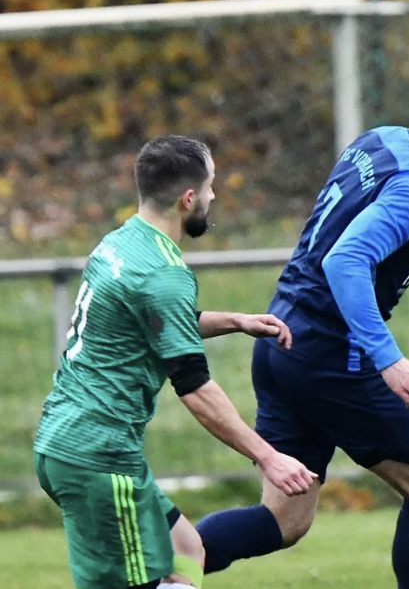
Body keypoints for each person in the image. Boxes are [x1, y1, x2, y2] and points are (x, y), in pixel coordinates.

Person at [194, 64, 409, 588]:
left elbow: (343, 227)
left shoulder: (379, 141)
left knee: (284, 519)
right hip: (331, 357)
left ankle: (154, 572)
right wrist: (389, 361)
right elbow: (345, 260)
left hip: (281, 339)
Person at [34, 135, 317, 589]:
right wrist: (268, 457)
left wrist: (236, 321)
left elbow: (153, 322)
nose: (213, 196)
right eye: (209, 186)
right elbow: (195, 388)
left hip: (67, 439)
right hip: (100, 457)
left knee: (186, 550)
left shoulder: (119, 244)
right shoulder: (165, 273)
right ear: (188, 198)